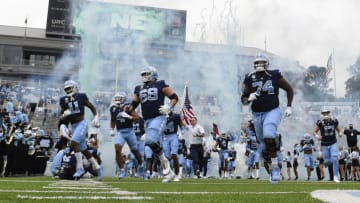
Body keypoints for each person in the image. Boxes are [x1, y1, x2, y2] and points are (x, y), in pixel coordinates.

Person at [241, 52, 294, 184]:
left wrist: (289, 106)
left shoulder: (274, 75)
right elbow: (243, 99)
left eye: (261, 62)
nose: (259, 65)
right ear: (254, 64)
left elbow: (289, 89)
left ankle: (276, 167)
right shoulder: (249, 77)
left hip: (273, 110)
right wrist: (249, 98)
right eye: (257, 63)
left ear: (266, 63)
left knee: (269, 134)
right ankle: (271, 165)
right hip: (257, 114)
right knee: (263, 144)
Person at [126, 66, 179, 183]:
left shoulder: (160, 84)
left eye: (146, 73)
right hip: (147, 120)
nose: (144, 76)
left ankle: (165, 167)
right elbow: (134, 103)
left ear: (153, 74)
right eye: (143, 74)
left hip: (159, 117)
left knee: (150, 140)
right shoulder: (138, 88)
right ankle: (167, 170)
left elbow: (174, 97)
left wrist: (169, 106)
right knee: (151, 143)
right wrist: (127, 110)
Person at [59, 80, 103, 180]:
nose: (68, 90)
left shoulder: (81, 96)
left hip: (82, 123)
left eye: (70, 88)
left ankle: (80, 168)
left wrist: (96, 117)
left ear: (75, 87)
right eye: (66, 89)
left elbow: (92, 107)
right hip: (73, 126)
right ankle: (98, 167)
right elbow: (60, 117)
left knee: (73, 143)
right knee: (84, 150)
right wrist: (63, 115)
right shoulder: (63, 100)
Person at [109, 91, 144, 179]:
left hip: (129, 131)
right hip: (120, 132)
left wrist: (129, 117)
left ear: (123, 99)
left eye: (119, 98)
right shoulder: (113, 108)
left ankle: (141, 165)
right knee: (117, 150)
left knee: (135, 151)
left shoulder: (128, 107)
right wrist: (111, 129)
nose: (117, 100)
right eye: (116, 98)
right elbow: (113, 119)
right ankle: (122, 170)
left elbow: (137, 119)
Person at [313, 108, 342, 183]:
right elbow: (314, 131)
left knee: (335, 158)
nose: (325, 114)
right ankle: (331, 161)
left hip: (333, 143)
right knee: (327, 162)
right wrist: (317, 136)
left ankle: (335, 176)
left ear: (329, 113)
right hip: (324, 144)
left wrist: (340, 133)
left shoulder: (334, 121)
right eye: (324, 113)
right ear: (322, 114)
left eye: (327, 113)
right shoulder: (320, 122)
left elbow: (339, 129)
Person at [163, 111, 183, 181]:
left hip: (173, 136)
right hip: (165, 137)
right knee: (166, 158)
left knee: (174, 154)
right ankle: (169, 174)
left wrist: (182, 131)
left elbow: (181, 124)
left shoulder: (176, 116)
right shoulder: (162, 116)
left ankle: (177, 174)